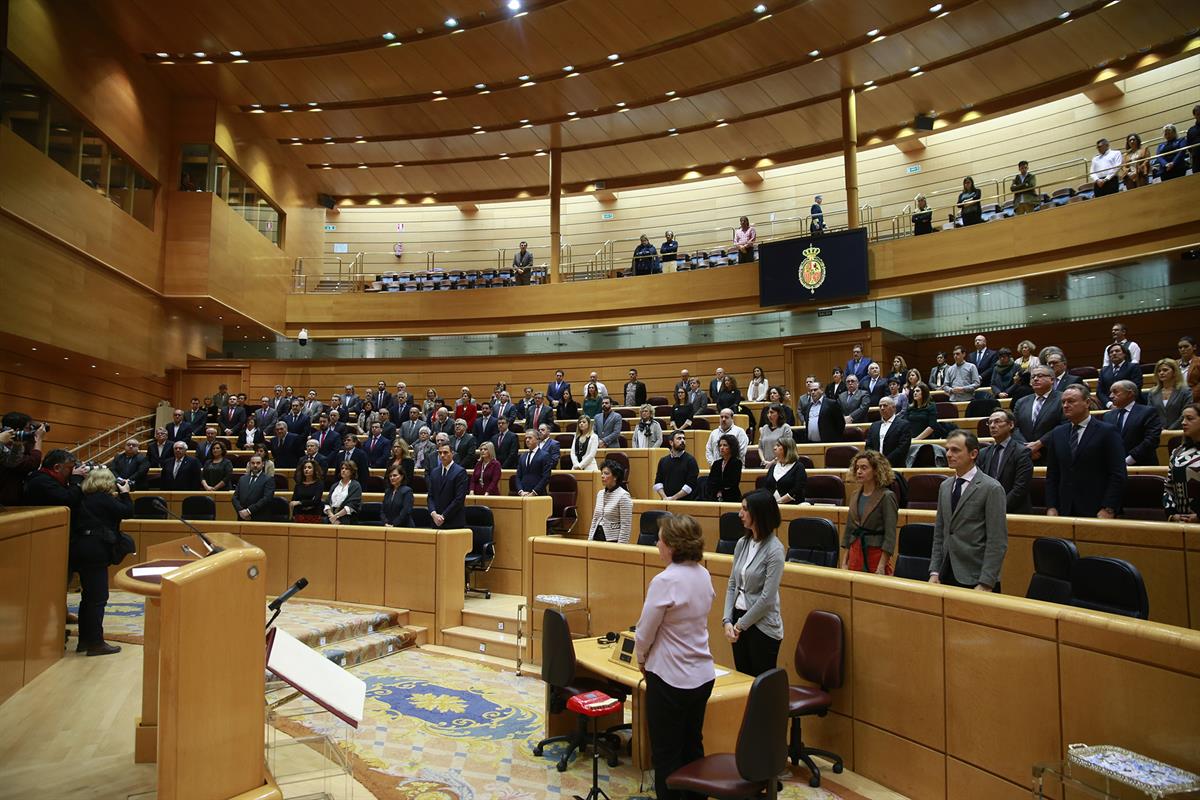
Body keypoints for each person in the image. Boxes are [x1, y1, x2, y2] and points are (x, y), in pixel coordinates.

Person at [635, 513, 716, 800]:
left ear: (671, 545)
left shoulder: (665, 580)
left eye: (659, 539)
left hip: (670, 679)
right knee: (692, 746)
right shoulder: (704, 573)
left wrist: (641, 659)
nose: (656, 544)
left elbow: (645, 632)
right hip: (703, 676)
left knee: (666, 754)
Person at [929, 431, 1008, 591]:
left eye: (955, 450)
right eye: (948, 449)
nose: (949, 454)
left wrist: (986, 582)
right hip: (946, 572)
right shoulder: (945, 486)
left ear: (973, 453)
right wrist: (935, 570)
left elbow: (997, 541)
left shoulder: (991, 488)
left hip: (977, 577)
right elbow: (940, 532)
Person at [722, 490, 784, 676]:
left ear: (759, 513)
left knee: (760, 690)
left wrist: (740, 625)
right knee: (743, 683)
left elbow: (767, 599)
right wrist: (727, 620)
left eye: (745, 509)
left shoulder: (775, 550)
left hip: (761, 626)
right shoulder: (742, 542)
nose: (740, 514)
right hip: (738, 621)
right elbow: (732, 583)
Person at [1044, 385, 1126, 519]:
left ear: (1087, 402)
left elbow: (1118, 474)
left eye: (1071, 401)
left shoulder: (1107, 431)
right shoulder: (1057, 433)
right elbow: (1052, 475)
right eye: (1063, 402)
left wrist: (1108, 507)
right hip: (1064, 508)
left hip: (1098, 508)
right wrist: (1051, 506)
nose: (1065, 405)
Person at [75, 466, 132, 656]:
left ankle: (84, 640)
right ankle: (96, 643)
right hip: (96, 550)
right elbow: (127, 512)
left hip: (80, 547)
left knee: (88, 597)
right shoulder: (104, 499)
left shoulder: (82, 498)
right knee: (98, 598)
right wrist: (125, 494)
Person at [840, 450, 897, 574]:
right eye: (857, 468)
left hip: (875, 555)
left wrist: (882, 566)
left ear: (876, 470)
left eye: (864, 468)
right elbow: (850, 529)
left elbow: (890, 536)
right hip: (855, 553)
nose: (859, 471)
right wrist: (844, 561)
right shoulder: (855, 495)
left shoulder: (887, 496)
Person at [981, 410, 1033, 513]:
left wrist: (998, 508)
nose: (992, 426)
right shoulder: (983, 453)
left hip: (1014, 511)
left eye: (997, 421)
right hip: (987, 511)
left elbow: (1020, 488)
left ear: (1011, 425)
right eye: (990, 422)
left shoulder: (1022, 452)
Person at [1103, 380, 1162, 466]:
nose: (1111, 396)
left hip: (1143, 466)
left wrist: (1128, 460)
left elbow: (1151, 440)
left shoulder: (1148, 412)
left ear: (1130, 393)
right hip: (1114, 467)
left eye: (1115, 392)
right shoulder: (1107, 416)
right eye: (1111, 392)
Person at [1164, 403, 1200, 523]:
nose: (1183, 422)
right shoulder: (1177, 451)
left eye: (1189, 419)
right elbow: (1168, 487)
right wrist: (1172, 514)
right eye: (1183, 418)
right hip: (1180, 521)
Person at [587, 460, 633, 543]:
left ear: (615, 477)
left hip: (612, 539)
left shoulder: (623, 496)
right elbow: (595, 519)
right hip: (596, 536)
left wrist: (621, 547)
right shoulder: (600, 494)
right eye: (602, 473)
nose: (602, 476)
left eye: (606, 473)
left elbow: (626, 525)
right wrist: (589, 540)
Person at [866, 396, 912, 468]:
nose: (882, 408)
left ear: (894, 408)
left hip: (895, 466)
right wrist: (874, 460)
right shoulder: (874, 426)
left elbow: (902, 448)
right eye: (880, 406)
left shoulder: (903, 425)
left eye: (885, 405)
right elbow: (868, 446)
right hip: (876, 467)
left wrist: (885, 461)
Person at [654, 431, 699, 501]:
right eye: (679, 438)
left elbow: (690, 485)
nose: (682, 441)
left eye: (684, 438)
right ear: (671, 442)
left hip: (685, 502)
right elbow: (658, 483)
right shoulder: (663, 461)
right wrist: (664, 497)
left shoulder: (691, 460)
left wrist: (673, 498)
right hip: (666, 501)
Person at [762, 436, 805, 504]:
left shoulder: (799, 467)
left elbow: (798, 488)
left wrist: (780, 501)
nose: (774, 448)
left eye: (778, 446)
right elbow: (766, 487)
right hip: (772, 506)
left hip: (792, 506)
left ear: (787, 448)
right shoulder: (773, 467)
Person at [232, 455, 276, 521]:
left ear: (263, 464)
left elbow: (267, 498)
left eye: (258, 463)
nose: (255, 465)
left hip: (260, 518)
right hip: (241, 516)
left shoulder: (268, 479)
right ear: (249, 464)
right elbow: (235, 497)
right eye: (253, 463)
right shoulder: (242, 479)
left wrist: (248, 511)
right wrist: (241, 511)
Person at [1148, 358, 1189, 429]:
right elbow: (1150, 413)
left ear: (1174, 372)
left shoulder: (1185, 391)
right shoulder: (1153, 392)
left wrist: (1171, 429)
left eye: (1165, 370)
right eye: (1159, 371)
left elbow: (1185, 414)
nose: (1161, 373)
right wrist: (1159, 428)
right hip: (1158, 432)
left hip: (1179, 431)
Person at [1097, 343, 1139, 408]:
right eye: (1111, 352)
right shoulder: (1103, 370)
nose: (1114, 353)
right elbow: (1100, 391)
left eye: (1117, 351)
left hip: (1130, 404)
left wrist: (1122, 403)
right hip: (1109, 407)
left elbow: (1136, 387)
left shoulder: (1133, 367)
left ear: (1124, 354)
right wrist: (1110, 404)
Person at [705, 434, 743, 503]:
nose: (721, 448)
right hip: (715, 496)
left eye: (725, 445)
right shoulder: (716, 463)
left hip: (732, 497)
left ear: (731, 447)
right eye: (720, 445)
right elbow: (711, 481)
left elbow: (733, 483)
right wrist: (718, 490)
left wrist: (721, 490)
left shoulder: (736, 462)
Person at [515, 431, 552, 496]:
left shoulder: (545, 455)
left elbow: (546, 477)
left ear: (537, 440)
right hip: (523, 494)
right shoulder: (522, 456)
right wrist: (520, 491)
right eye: (526, 438)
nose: (527, 440)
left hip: (539, 495)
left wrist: (534, 492)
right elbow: (518, 476)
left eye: (530, 438)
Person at [290, 459, 325, 523]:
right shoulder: (298, 485)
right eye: (305, 468)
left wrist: (300, 502)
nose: (306, 469)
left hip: (314, 514)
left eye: (309, 468)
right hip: (299, 514)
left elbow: (316, 501)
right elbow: (293, 501)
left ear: (314, 470)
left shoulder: (319, 484)